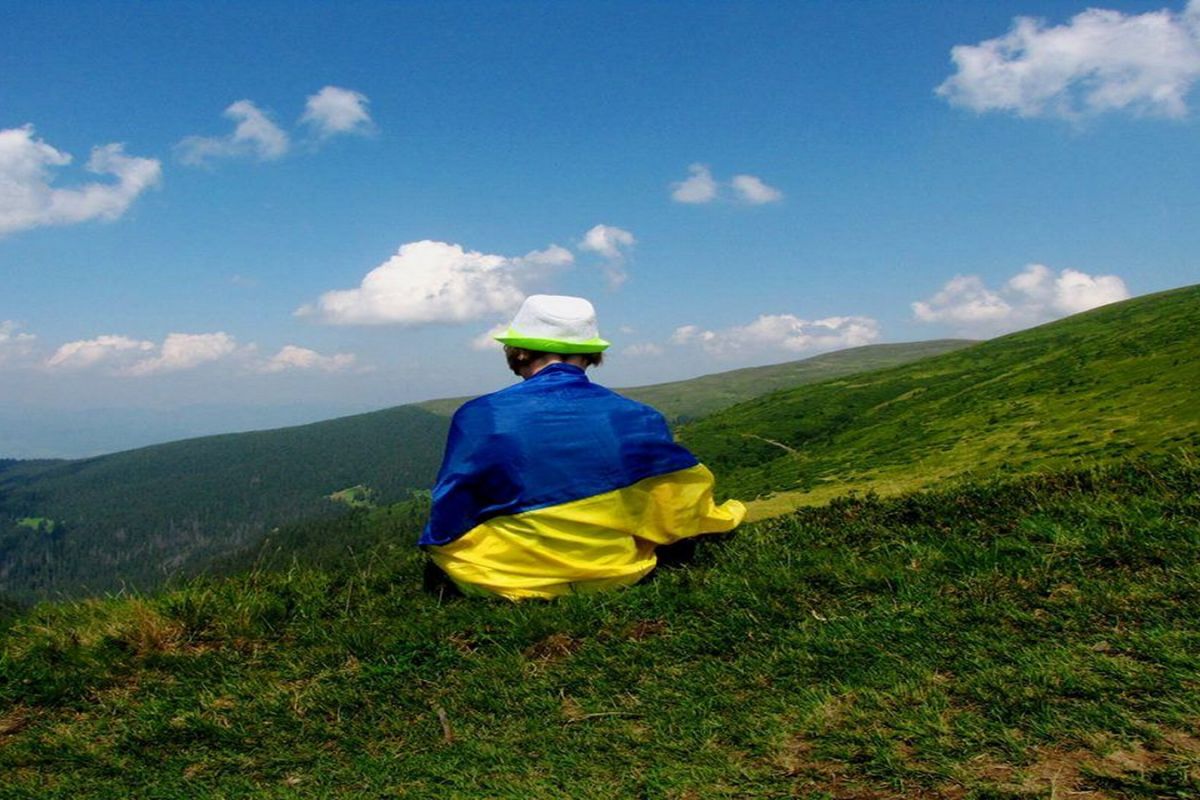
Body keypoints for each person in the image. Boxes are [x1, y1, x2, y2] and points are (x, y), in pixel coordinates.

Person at [419, 294, 745, 600]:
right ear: (591, 354)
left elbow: (451, 507)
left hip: (496, 580)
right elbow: (676, 503)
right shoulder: (641, 415)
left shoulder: (479, 415)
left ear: (518, 351)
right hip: (615, 574)